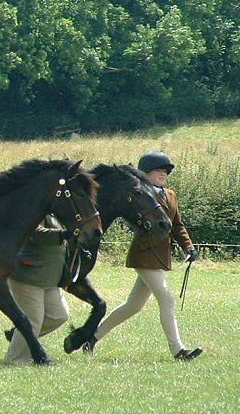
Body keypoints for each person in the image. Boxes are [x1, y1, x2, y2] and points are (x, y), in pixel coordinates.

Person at [85, 151, 202, 361]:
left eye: (166, 171)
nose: (164, 174)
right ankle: (178, 350)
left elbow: (177, 225)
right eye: (159, 170)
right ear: (146, 173)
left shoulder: (171, 195)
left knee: (133, 306)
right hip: (144, 255)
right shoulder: (141, 194)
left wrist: (188, 247)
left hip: (161, 256)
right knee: (166, 299)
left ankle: (91, 338)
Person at [4, 214, 71, 365]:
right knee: (33, 321)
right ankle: (15, 360)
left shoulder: (58, 212)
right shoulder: (36, 207)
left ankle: (19, 338)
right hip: (28, 276)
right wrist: (63, 234)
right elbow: (35, 233)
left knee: (59, 314)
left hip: (49, 278)